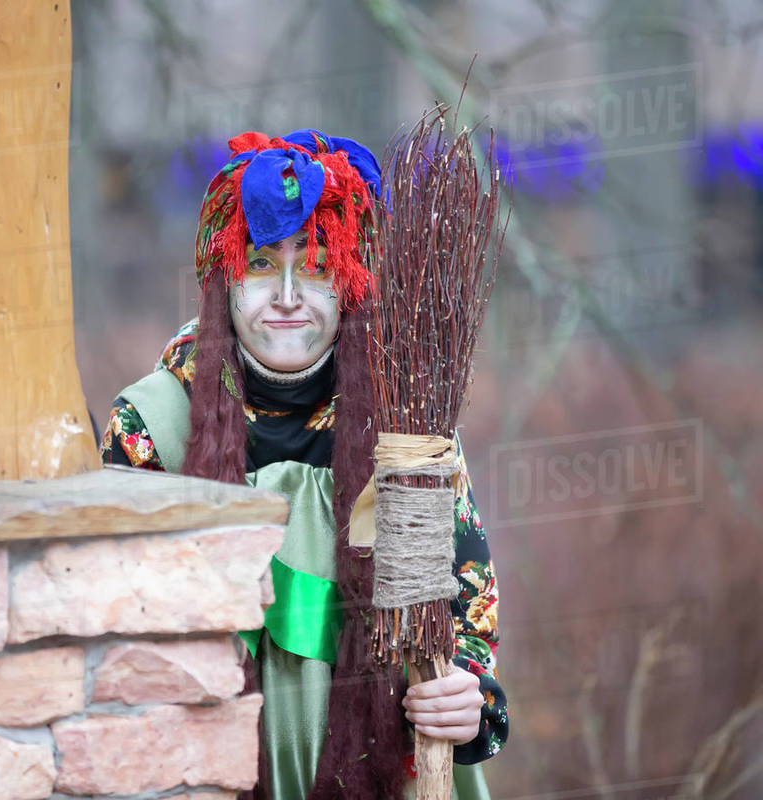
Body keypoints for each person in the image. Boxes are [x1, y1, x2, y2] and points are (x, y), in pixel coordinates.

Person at [100, 129, 508, 800]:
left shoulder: (407, 427)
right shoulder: (153, 428)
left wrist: (468, 706)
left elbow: (467, 611)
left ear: (349, 283)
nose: (287, 295)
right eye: (261, 264)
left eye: (316, 266)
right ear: (223, 279)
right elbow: (110, 642)